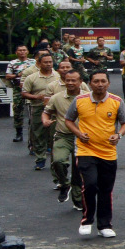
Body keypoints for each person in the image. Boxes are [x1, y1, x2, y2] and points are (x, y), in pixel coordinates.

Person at [66, 68, 125, 238]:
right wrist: (79, 133)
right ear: (89, 84)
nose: (100, 84)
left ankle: (104, 225)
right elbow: (68, 120)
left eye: (103, 81)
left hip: (108, 152)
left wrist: (118, 135)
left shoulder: (117, 101)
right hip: (85, 150)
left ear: (108, 83)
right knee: (90, 184)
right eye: (96, 81)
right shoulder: (79, 101)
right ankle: (87, 221)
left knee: (105, 189)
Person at [42, 68, 83, 208]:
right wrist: (45, 120)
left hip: (83, 138)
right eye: (67, 80)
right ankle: (65, 184)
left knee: (79, 170)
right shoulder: (57, 97)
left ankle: (77, 200)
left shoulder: (88, 97)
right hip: (63, 136)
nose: (70, 83)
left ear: (80, 82)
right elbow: (46, 112)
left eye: (73, 80)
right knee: (58, 161)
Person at [20, 51, 61, 171]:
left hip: (55, 110)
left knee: (55, 134)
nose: (48, 64)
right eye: (46, 62)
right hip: (38, 107)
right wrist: (37, 97)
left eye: (50, 62)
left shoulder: (58, 76)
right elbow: (24, 93)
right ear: (39, 63)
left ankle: (55, 160)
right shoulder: (32, 78)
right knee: (38, 133)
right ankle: (40, 159)